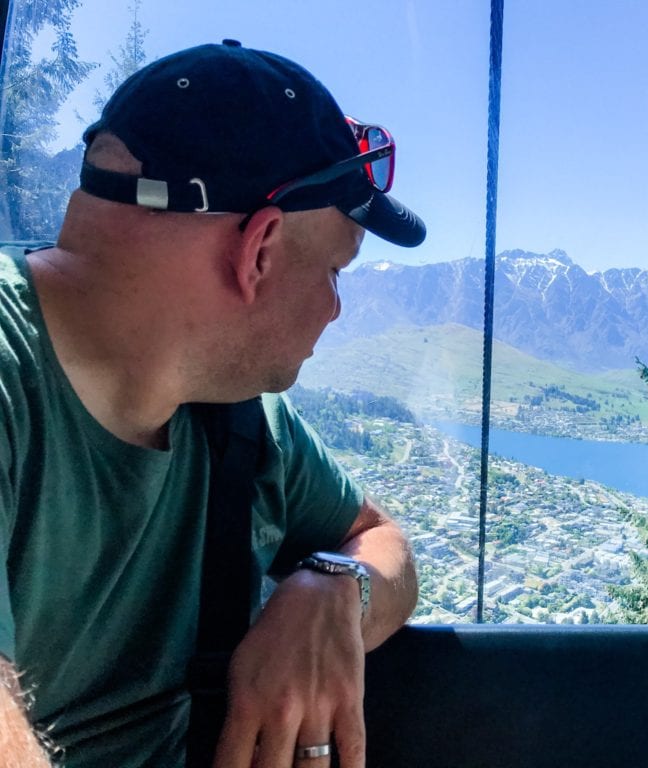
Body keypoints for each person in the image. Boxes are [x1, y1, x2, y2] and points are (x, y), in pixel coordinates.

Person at [0, 40, 425, 768]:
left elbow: (386, 546)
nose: (335, 308)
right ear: (258, 250)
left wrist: (333, 590)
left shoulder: (240, 420)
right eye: (335, 268)